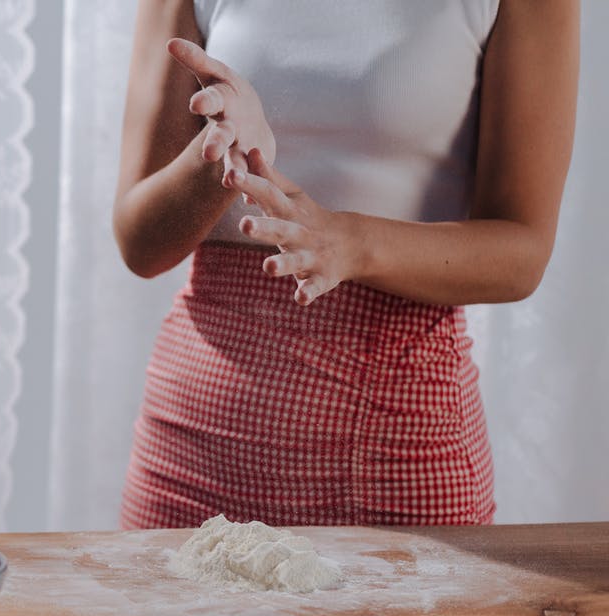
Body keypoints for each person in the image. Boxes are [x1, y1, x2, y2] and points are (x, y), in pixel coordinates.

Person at [114, 0, 578, 528]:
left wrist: (348, 243)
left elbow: (522, 253)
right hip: (190, 454)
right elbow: (139, 243)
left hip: (399, 455)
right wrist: (222, 158)